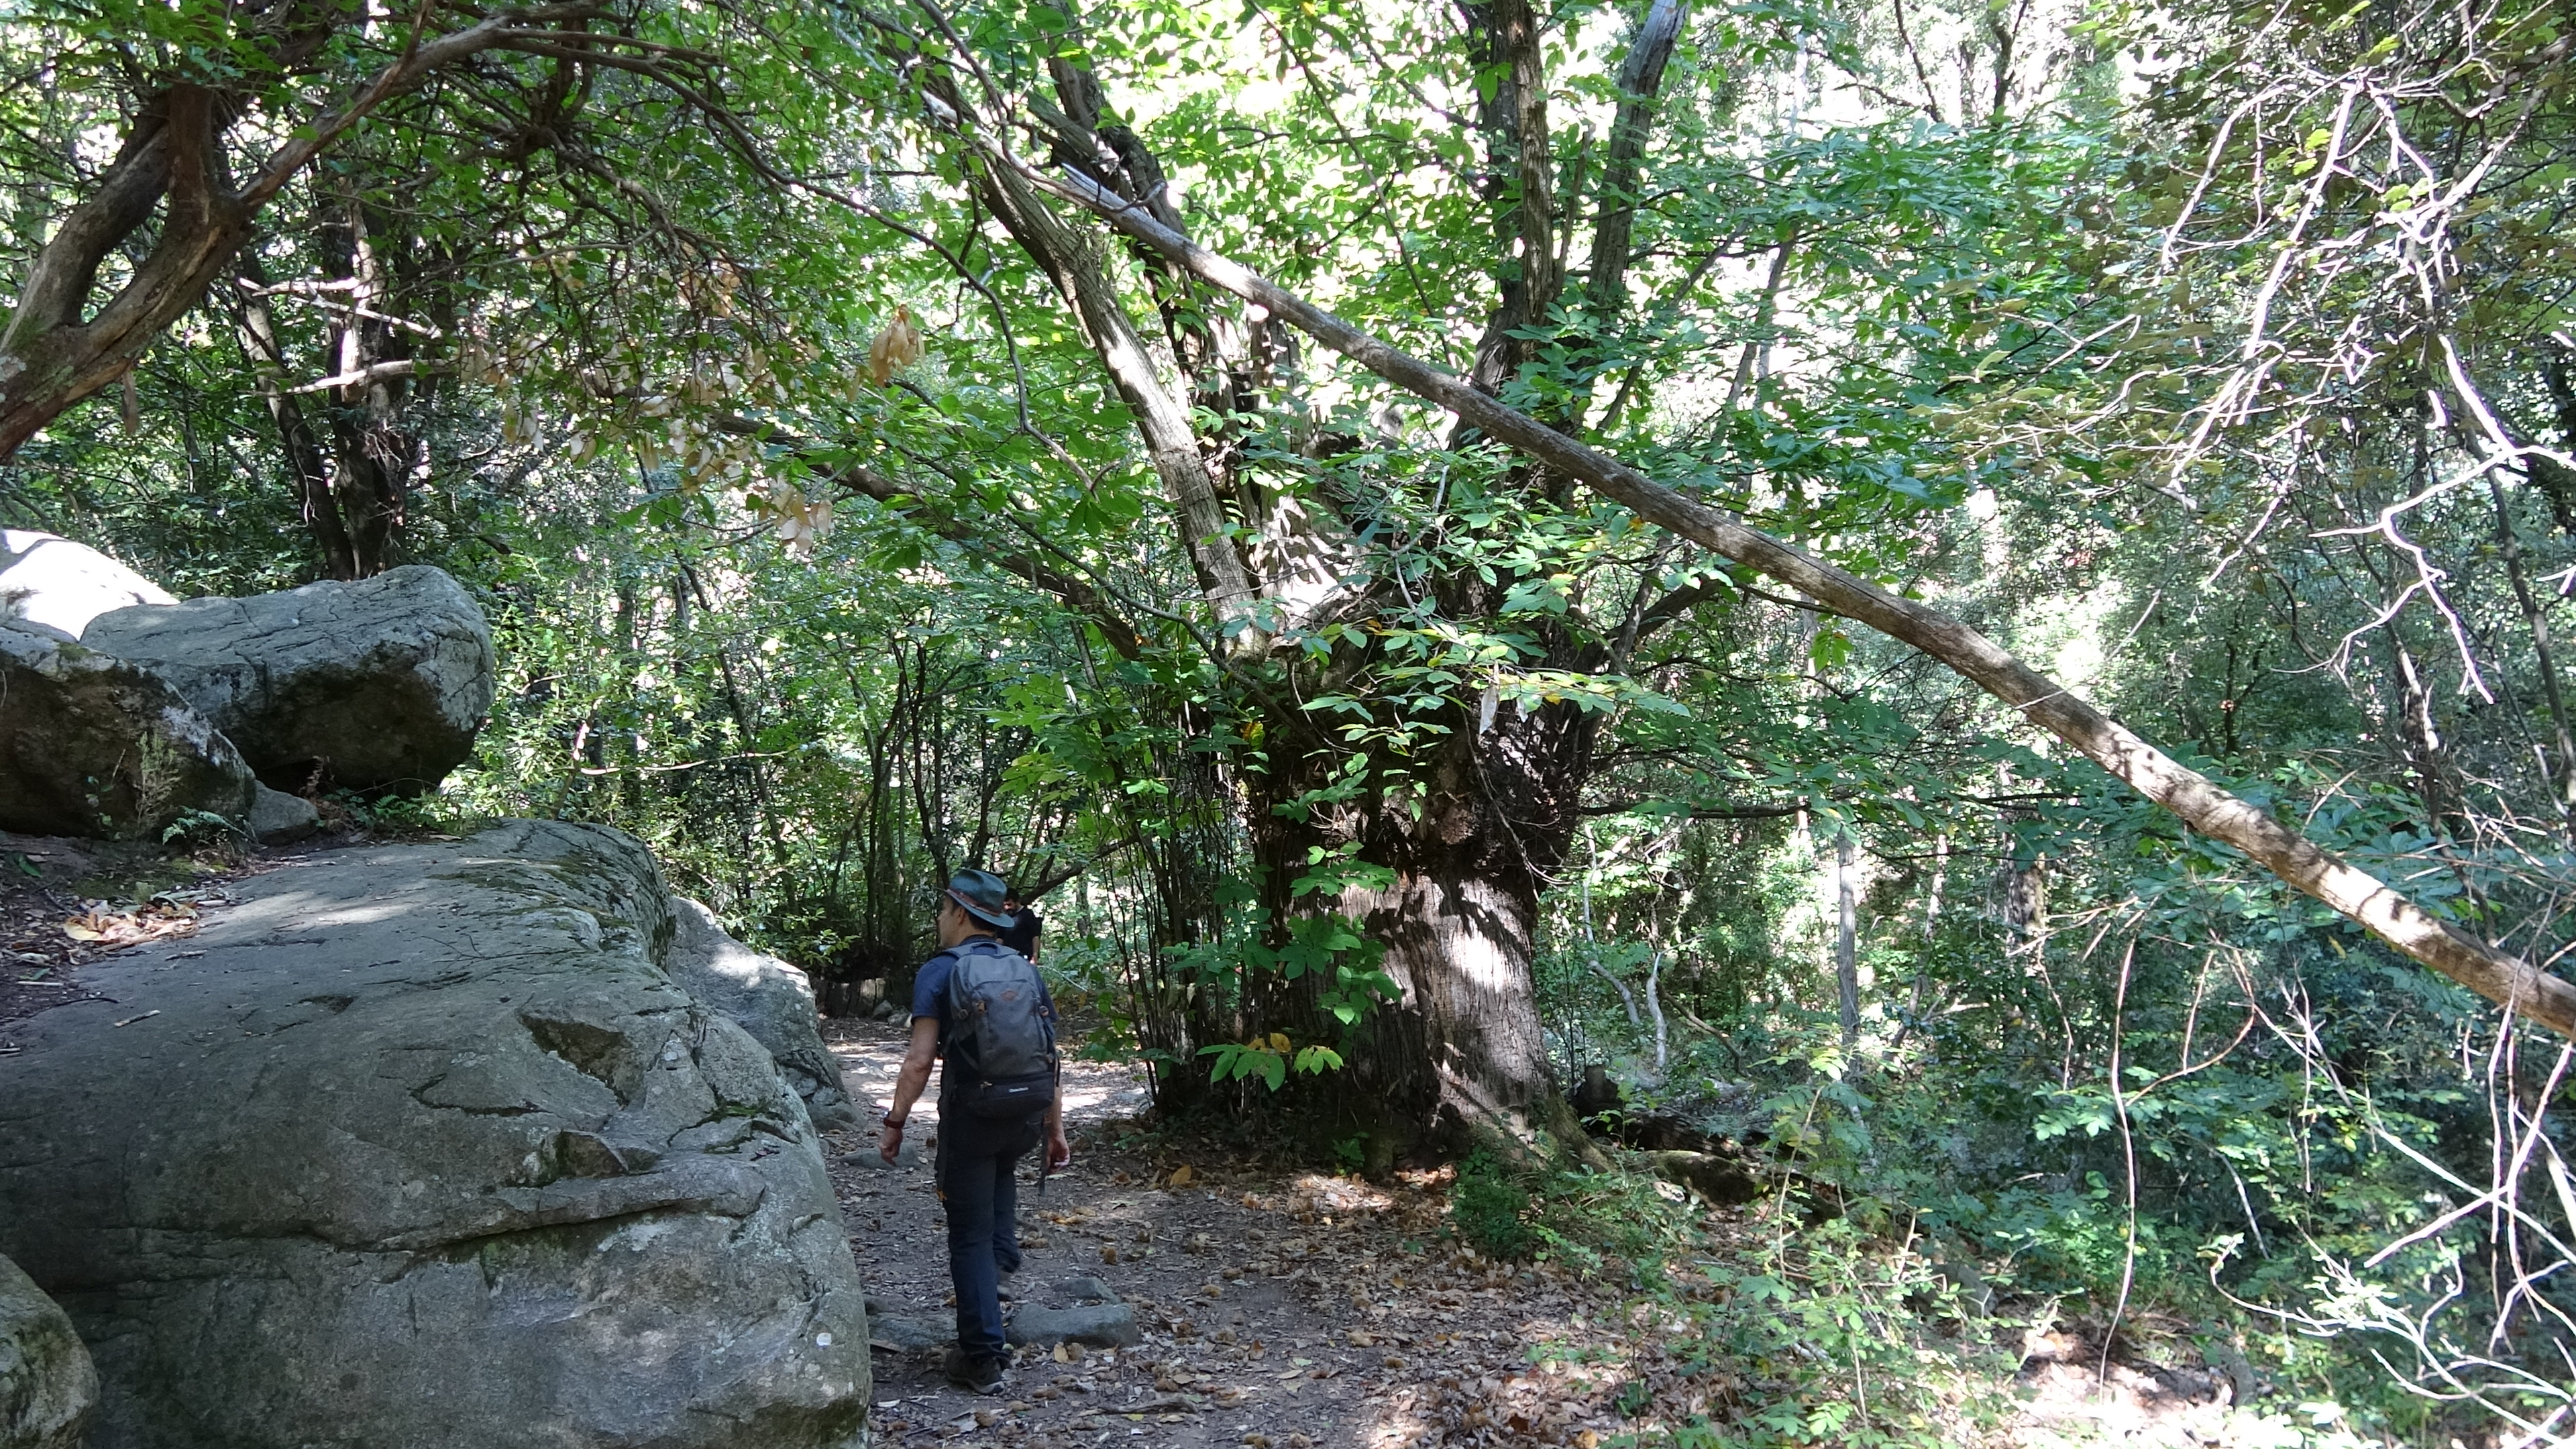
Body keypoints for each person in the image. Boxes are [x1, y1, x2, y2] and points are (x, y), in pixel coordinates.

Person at [880, 869, 1070, 1395]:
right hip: (1026, 1114)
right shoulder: (1025, 970)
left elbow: (919, 1061)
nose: (940, 921)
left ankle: (982, 1358)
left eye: (943, 911)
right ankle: (1000, 1272)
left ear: (961, 914)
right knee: (1002, 1177)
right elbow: (1051, 1057)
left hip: (974, 1114)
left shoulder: (939, 971)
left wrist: (894, 1123)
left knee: (967, 1235)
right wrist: (1056, 1129)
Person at [997, 894, 1042, 964]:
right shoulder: (1004, 917)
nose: (1006, 908)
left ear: (1017, 902)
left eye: (1009, 905)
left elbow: (1035, 936)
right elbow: (1000, 938)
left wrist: (1035, 955)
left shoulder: (1027, 914)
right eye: (1004, 905)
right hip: (1007, 957)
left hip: (1024, 956)